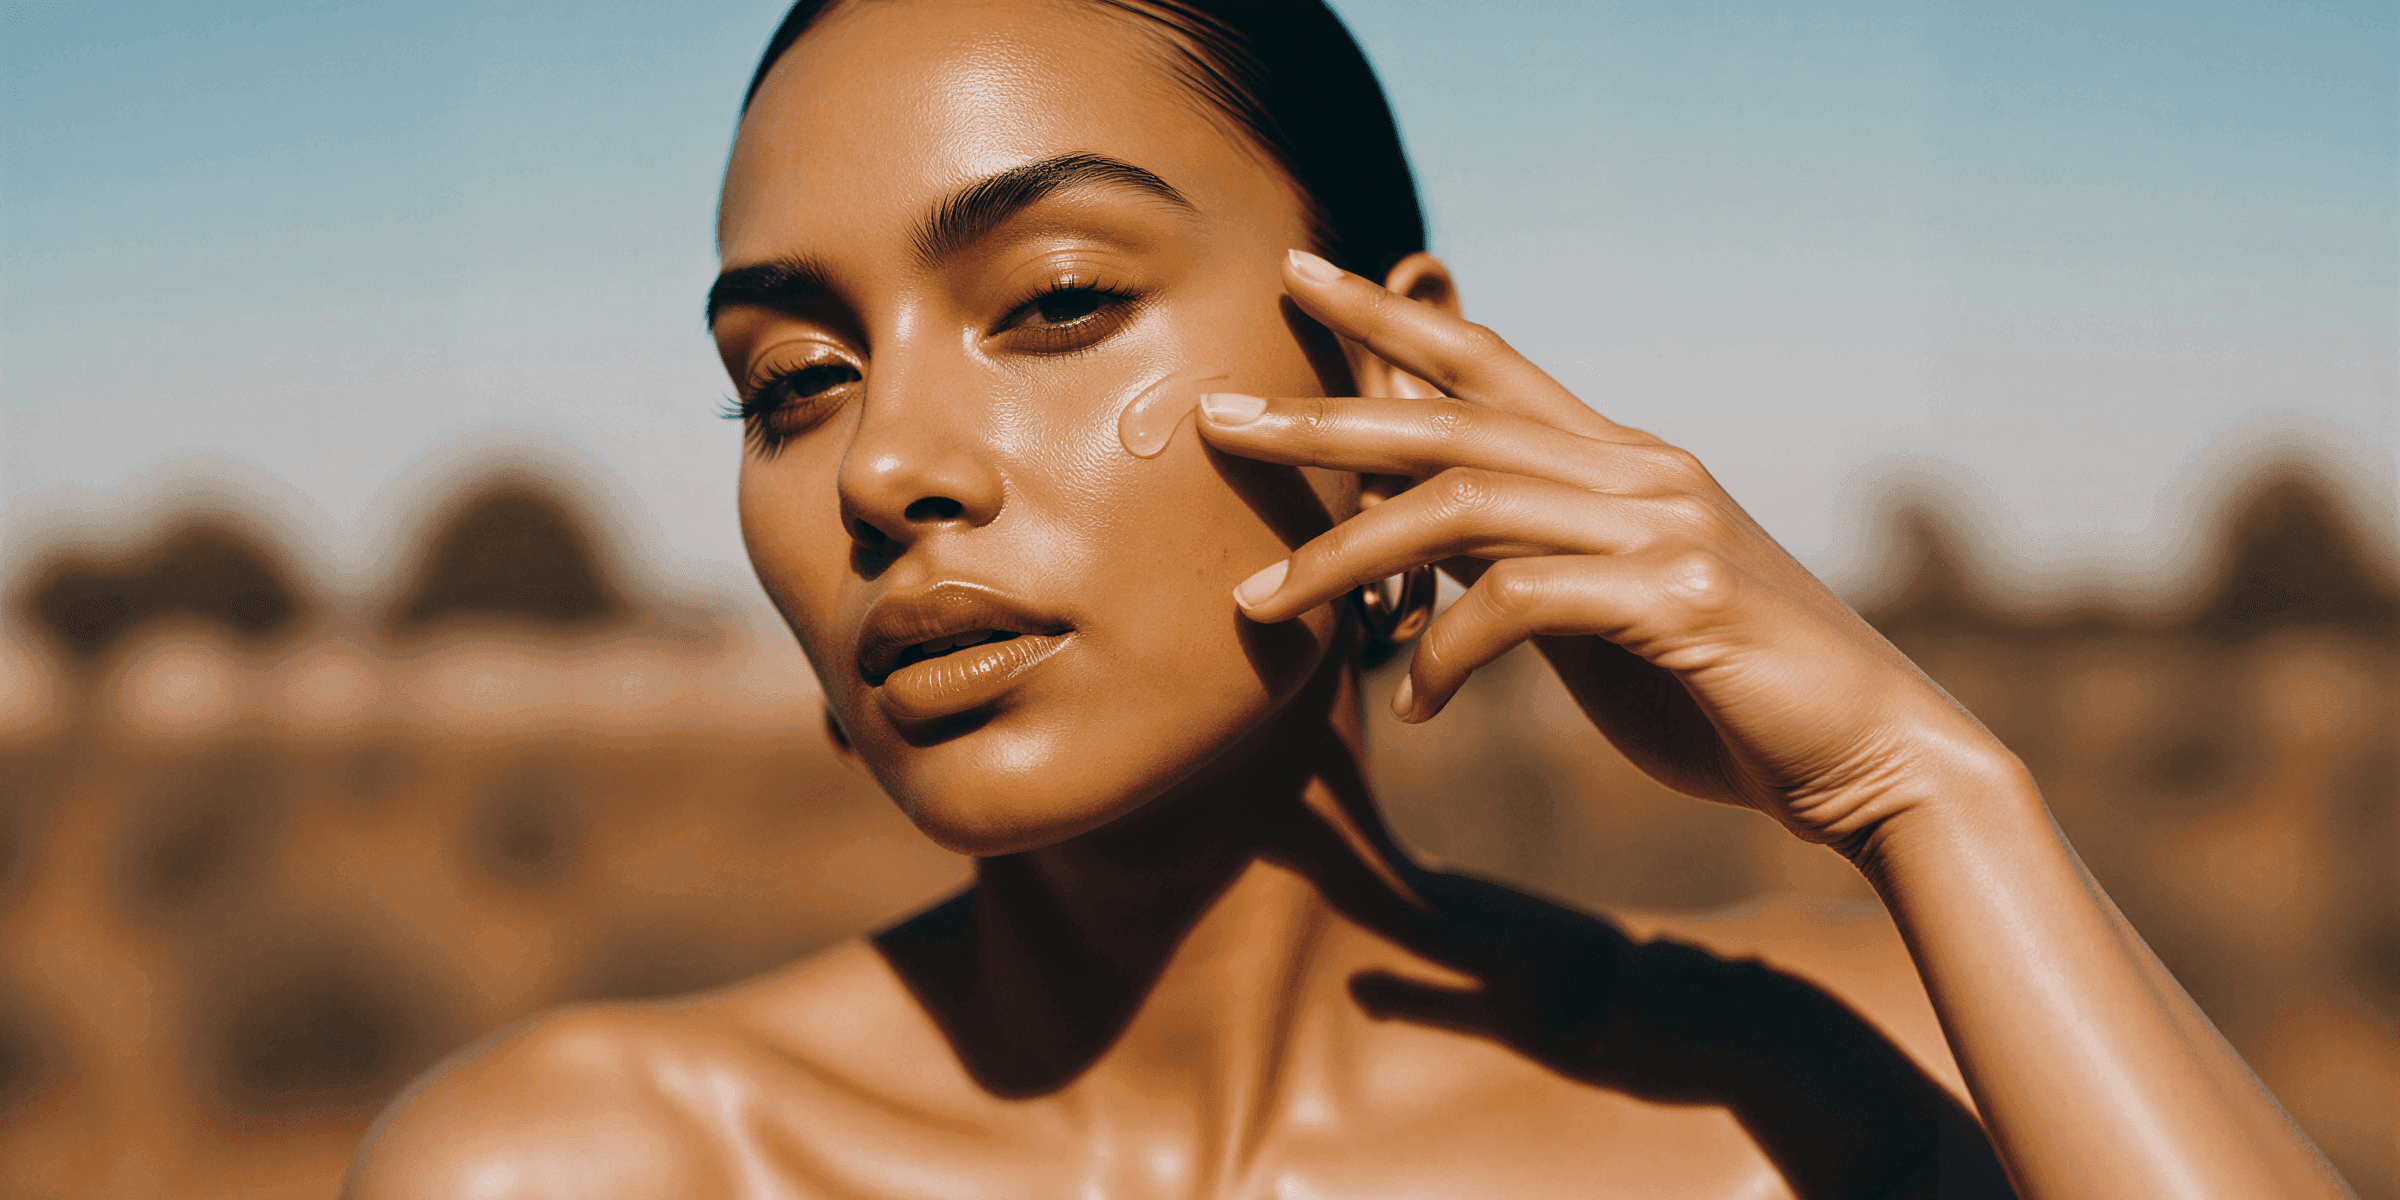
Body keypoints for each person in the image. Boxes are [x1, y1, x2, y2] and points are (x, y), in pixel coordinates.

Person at [346, 1, 2354, 1195]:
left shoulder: (1805, 1091)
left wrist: (1931, 788)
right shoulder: (593, 1168)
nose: (881, 469)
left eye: (1053, 303)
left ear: (1390, 379)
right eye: (793, 382)